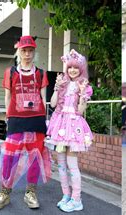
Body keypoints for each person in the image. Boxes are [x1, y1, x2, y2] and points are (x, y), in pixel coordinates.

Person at [0, 35, 51, 210]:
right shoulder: (10, 72)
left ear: (34, 52)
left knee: (35, 157)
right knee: (10, 157)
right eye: (24, 50)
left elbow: (43, 98)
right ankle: (4, 192)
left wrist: (45, 119)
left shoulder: (40, 73)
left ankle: (30, 192)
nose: (27, 54)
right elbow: (7, 97)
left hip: (37, 120)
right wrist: (8, 117)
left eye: (30, 50)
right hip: (16, 119)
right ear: (19, 51)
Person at [46, 49, 93, 212]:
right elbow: (52, 105)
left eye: (76, 67)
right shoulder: (63, 84)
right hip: (60, 126)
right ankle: (66, 195)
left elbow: (80, 111)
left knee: (72, 165)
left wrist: (81, 93)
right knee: (61, 165)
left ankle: (76, 199)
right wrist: (56, 88)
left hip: (74, 127)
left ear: (81, 69)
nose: (72, 70)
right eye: (70, 67)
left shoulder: (85, 87)